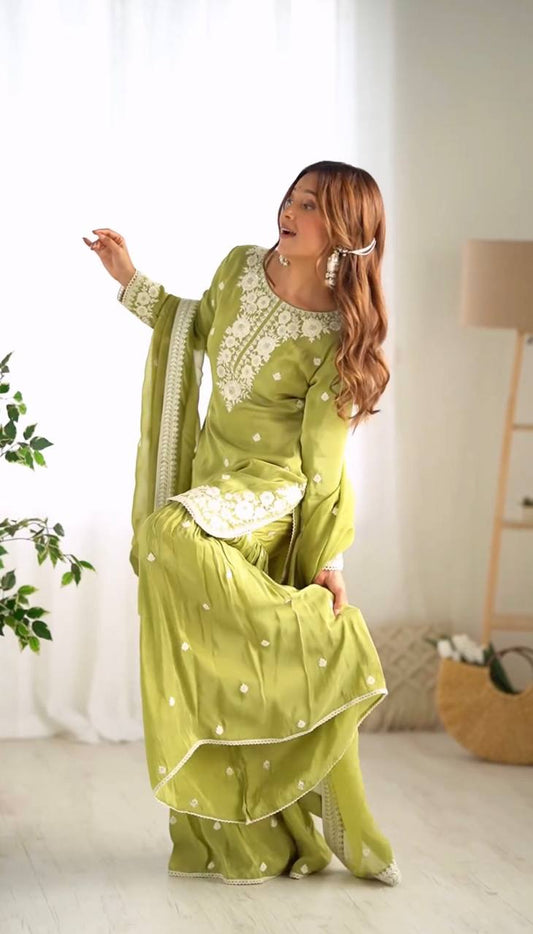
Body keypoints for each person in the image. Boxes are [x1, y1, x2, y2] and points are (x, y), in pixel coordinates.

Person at [83, 160, 401, 887]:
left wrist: (330, 562)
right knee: (202, 628)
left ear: (344, 232)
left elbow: (323, 465)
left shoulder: (338, 337)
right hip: (212, 475)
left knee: (165, 535)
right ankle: (254, 821)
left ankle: (325, 636)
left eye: (311, 206)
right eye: (292, 196)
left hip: (269, 488)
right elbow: (189, 328)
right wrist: (127, 277)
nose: (289, 210)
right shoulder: (237, 269)